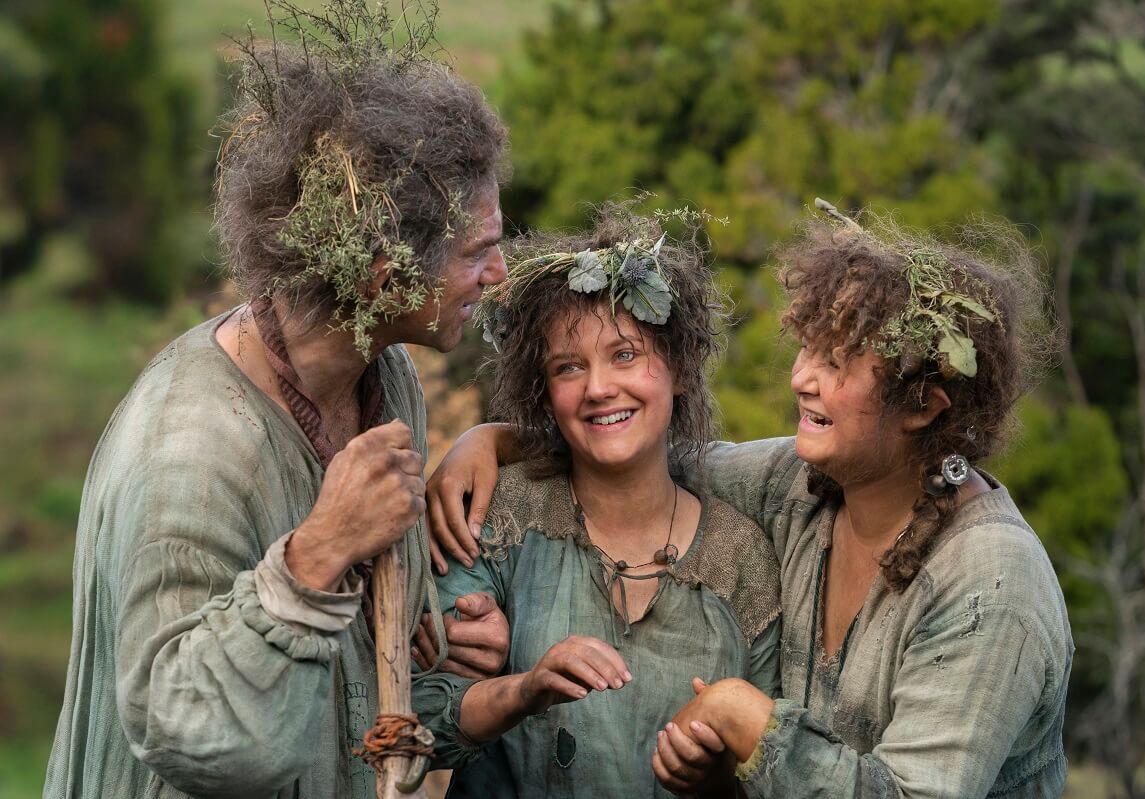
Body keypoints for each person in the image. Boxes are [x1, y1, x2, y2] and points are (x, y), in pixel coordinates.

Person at [422, 205, 1074, 798]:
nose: (800, 377)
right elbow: (636, 456)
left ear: (922, 405)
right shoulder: (801, 486)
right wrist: (494, 440)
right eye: (808, 348)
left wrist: (740, 714)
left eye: (837, 363)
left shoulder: (991, 578)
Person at [44, 4, 510, 797]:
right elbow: (180, 724)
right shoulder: (190, 457)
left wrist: (454, 656)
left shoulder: (383, 381)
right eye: (477, 254)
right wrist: (317, 554)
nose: (497, 277)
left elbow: (357, 679)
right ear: (381, 275)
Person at [411, 207, 783, 798]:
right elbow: (415, 719)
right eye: (568, 367)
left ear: (681, 368)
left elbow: (773, 770)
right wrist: (523, 689)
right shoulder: (496, 513)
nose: (599, 387)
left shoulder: (744, 560)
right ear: (544, 392)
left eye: (626, 355)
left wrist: (711, 776)